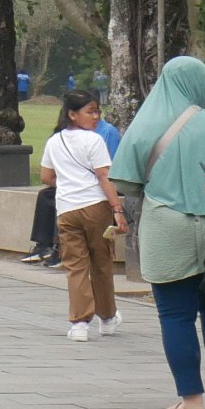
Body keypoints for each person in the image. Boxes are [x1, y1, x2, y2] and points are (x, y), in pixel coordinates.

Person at [112, 56, 205, 409]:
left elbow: (125, 182)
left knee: (175, 314)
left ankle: (192, 404)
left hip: (166, 227)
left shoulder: (145, 124)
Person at [41, 91, 125, 342]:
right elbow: (104, 176)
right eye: (90, 111)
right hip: (95, 207)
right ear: (72, 114)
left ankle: (79, 323)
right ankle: (107, 317)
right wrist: (117, 210)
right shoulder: (94, 141)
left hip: (67, 210)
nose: (96, 117)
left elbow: (46, 177)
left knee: (75, 267)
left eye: (97, 111)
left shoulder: (54, 141)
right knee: (101, 264)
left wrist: (69, 183)